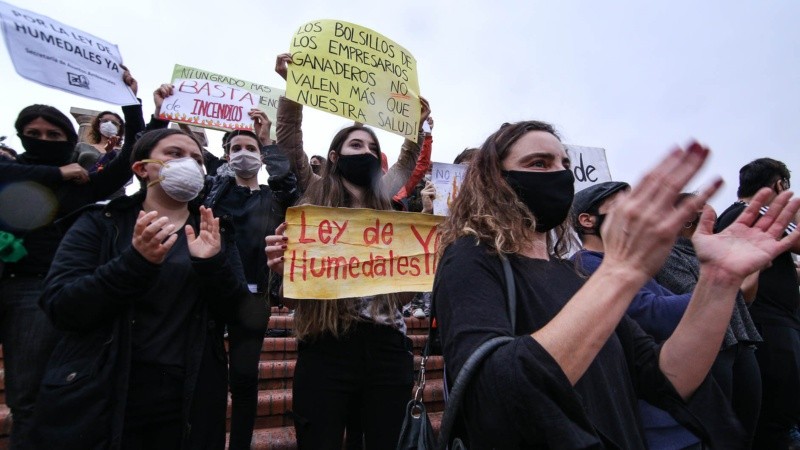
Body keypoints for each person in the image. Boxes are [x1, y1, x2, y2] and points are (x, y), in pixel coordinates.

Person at [432, 120, 800, 449]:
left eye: (565, 165)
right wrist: (620, 271)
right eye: (538, 164)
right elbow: (495, 398)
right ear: (495, 180)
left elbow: (668, 376)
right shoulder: (470, 259)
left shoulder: (573, 275)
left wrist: (719, 283)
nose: (560, 174)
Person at [32, 128, 249, 450]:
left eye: (197, 159)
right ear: (141, 168)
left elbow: (240, 314)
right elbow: (62, 306)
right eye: (175, 154)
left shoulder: (215, 231)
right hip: (102, 390)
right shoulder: (100, 222)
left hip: (186, 398)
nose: (189, 163)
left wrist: (211, 267)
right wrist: (136, 262)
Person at [0, 75, 142, 448]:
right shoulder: (14, 171)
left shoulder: (82, 183)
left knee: (29, 393)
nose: (43, 140)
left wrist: (132, 101)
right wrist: (54, 172)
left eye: (53, 135)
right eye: (34, 133)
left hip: (38, 287)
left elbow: (132, 157)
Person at [203, 113, 299, 450]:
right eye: (236, 148)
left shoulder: (274, 197)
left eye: (250, 147)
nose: (243, 152)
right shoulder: (215, 191)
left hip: (254, 301)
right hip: (213, 293)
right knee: (208, 377)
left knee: (243, 379)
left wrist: (268, 138)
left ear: (260, 157)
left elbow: (289, 184)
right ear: (227, 156)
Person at [654, 192, 763, 448]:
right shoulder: (668, 256)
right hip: (711, 351)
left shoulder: (716, 254)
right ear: (688, 218)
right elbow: (695, 301)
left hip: (740, 343)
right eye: (708, 213)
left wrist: (753, 263)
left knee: (749, 424)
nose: (715, 221)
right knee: (720, 433)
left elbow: (745, 298)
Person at [714, 157, 800, 449]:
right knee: (779, 415)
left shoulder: (732, 214)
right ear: (779, 184)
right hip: (770, 323)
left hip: (757, 322)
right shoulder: (760, 211)